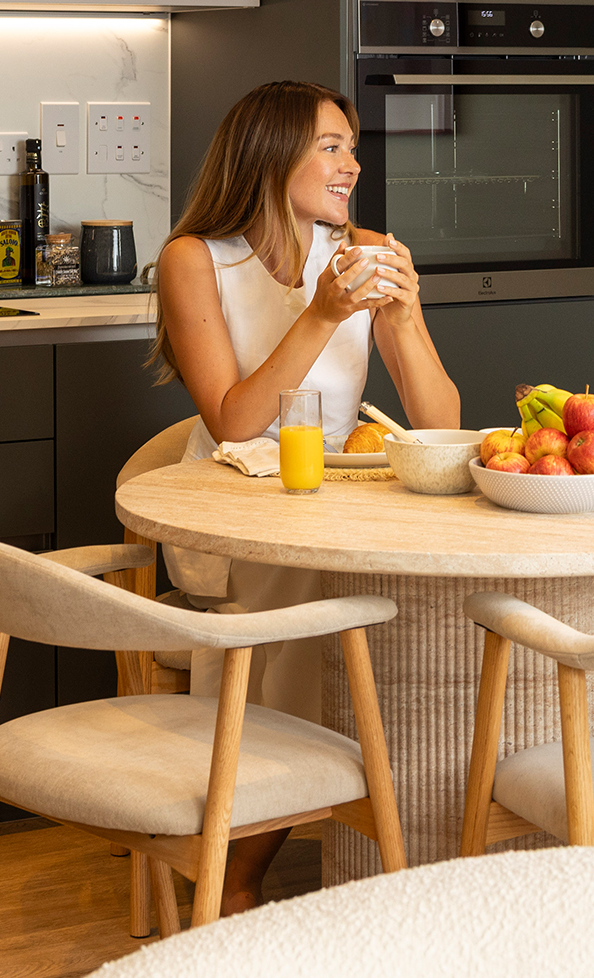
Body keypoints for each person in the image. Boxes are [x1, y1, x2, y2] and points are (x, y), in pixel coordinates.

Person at [153, 79, 461, 910]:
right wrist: (321, 316)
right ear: (269, 151)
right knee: (303, 595)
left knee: (437, 593)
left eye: (351, 148)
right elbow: (234, 425)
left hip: (341, 496)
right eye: (331, 146)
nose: (351, 165)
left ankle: (420, 838)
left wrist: (403, 316)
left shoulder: (360, 248)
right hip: (229, 502)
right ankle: (233, 877)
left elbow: (439, 424)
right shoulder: (196, 260)